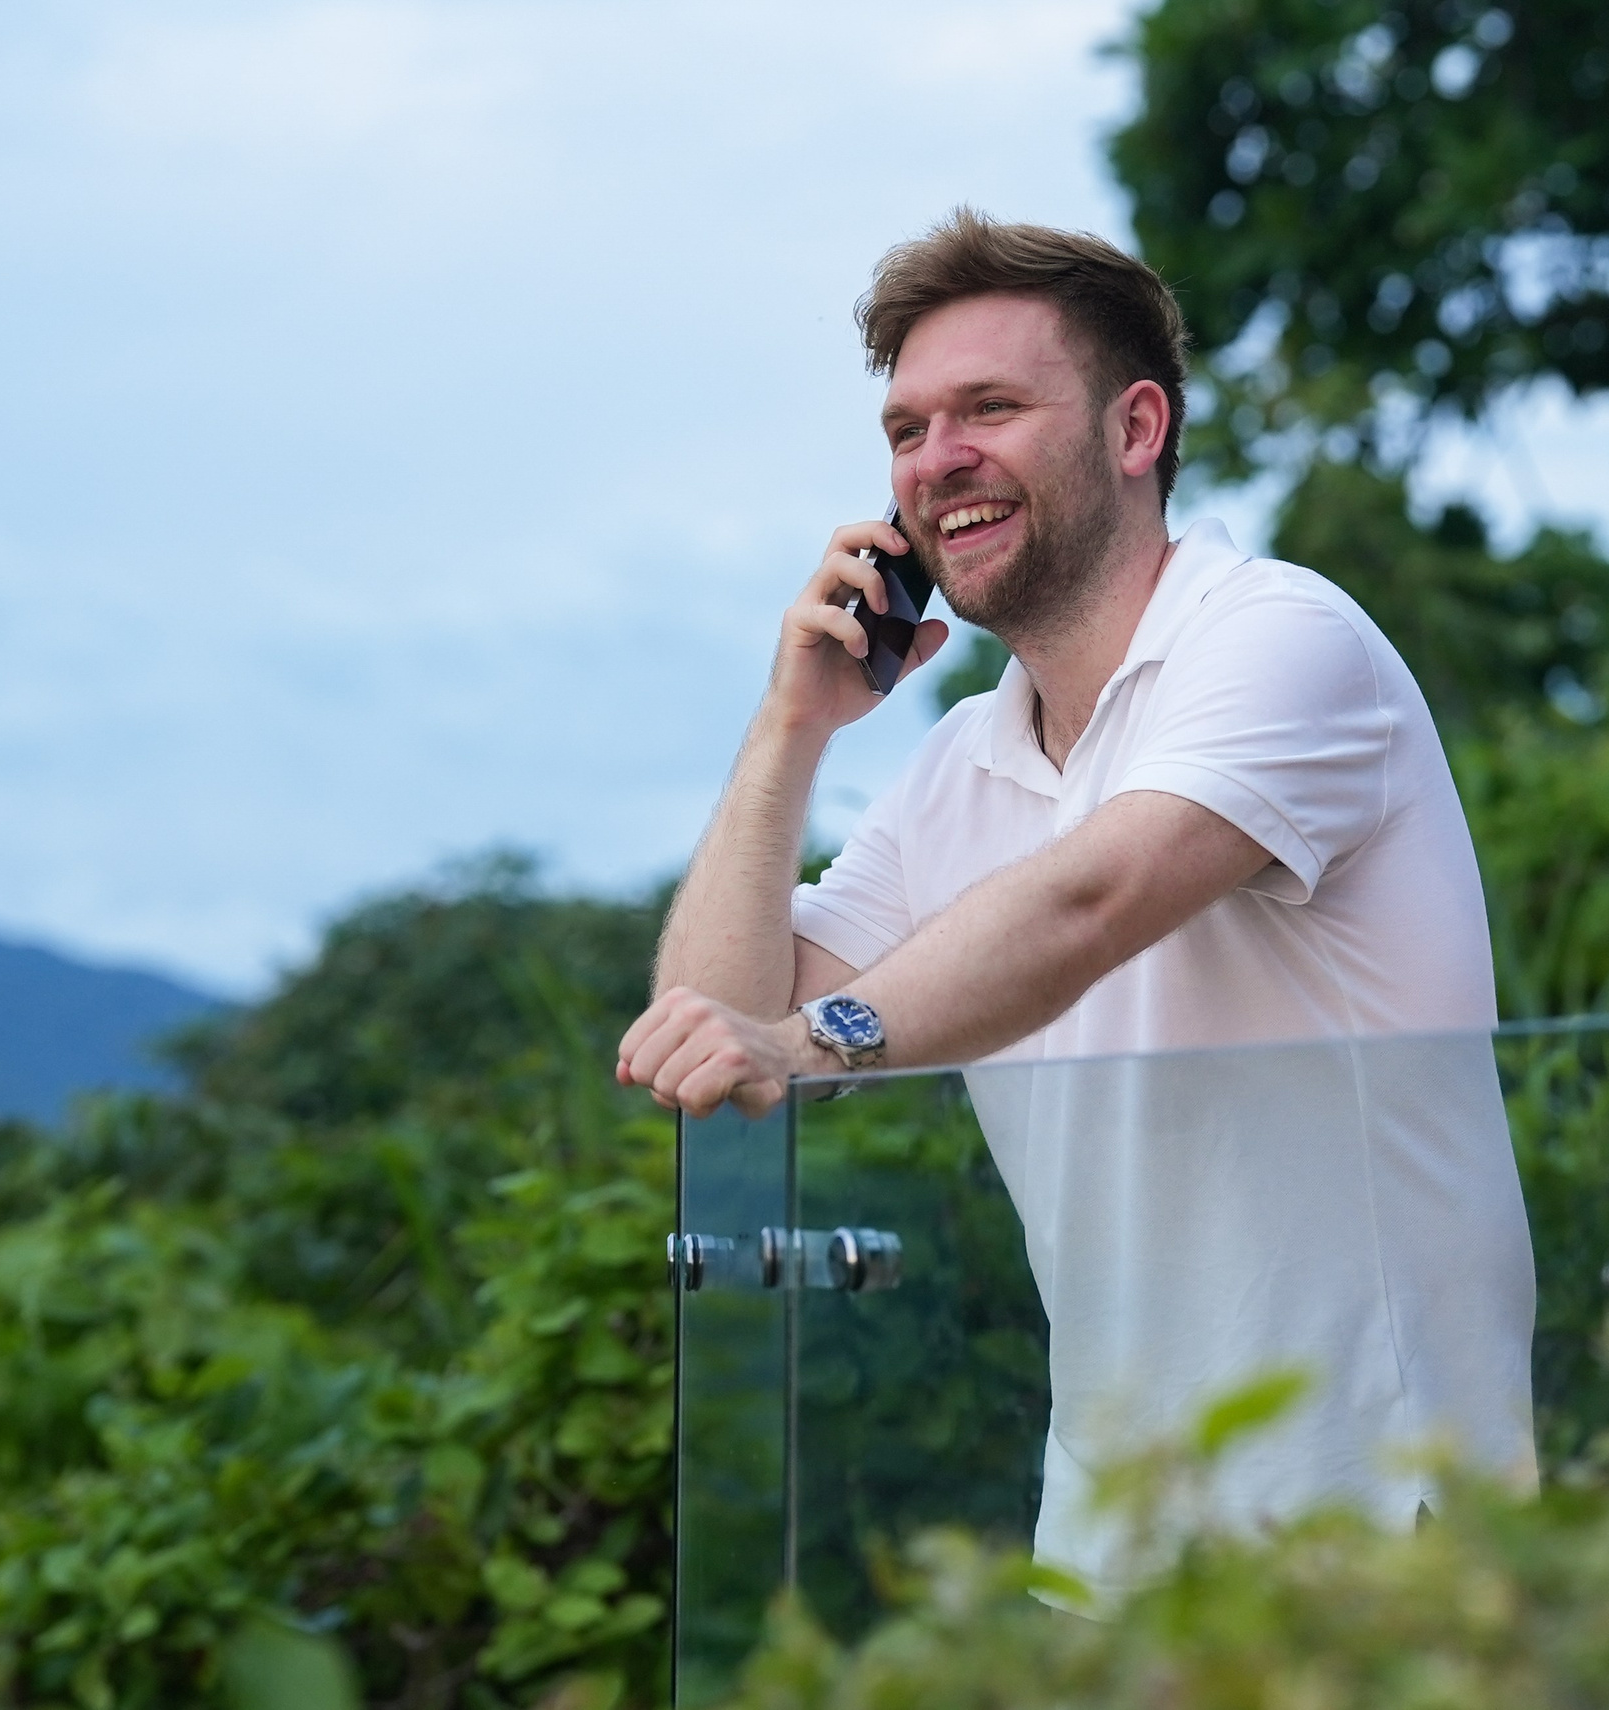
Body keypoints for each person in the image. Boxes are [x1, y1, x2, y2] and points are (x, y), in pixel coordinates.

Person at [617, 209, 1534, 1602]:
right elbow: (714, 1020)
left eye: (991, 407)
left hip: (1378, 1553)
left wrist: (814, 1044)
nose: (938, 461)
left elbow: (1095, 896)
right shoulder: (958, 765)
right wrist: (789, 727)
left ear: (1136, 428)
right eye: (908, 428)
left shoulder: (1282, 639)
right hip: (1108, 1568)